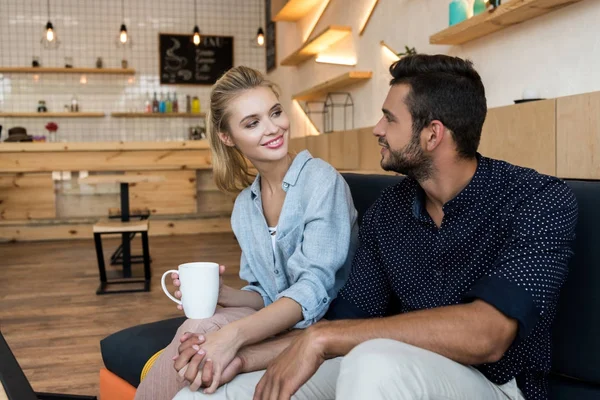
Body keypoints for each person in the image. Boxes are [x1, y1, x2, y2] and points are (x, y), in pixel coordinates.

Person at [173, 54, 578, 400]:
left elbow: (488, 336)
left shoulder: (537, 200)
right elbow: (344, 322)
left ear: (432, 134)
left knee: (372, 360)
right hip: (394, 368)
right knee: (216, 391)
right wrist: (240, 358)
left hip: (497, 386)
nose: (377, 129)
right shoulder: (389, 212)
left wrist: (322, 339)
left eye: (389, 118)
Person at [134, 66, 358, 400]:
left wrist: (233, 335)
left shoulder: (322, 182)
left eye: (275, 113)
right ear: (228, 137)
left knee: (205, 336)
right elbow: (267, 292)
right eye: (252, 123)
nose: (273, 128)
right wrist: (224, 294)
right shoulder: (245, 206)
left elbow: (311, 291)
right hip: (277, 323)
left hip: (324, 328)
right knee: (196, 328)